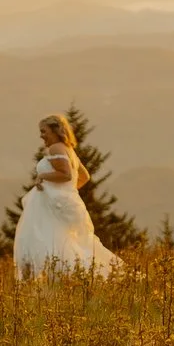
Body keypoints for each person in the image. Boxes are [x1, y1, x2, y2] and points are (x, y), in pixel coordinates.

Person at [13, 112, 119, 279]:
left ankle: (71, 276)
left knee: (47, 242)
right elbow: (84, 177)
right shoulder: (69, 150)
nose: (41, 136)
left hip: (53, 206)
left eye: (44, 131)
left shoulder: (55, 148)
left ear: (55, 131)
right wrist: (66, 191)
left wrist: (43, 177)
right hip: (64, 201)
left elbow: (66, 174)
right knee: (67, 243)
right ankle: (84, 276)